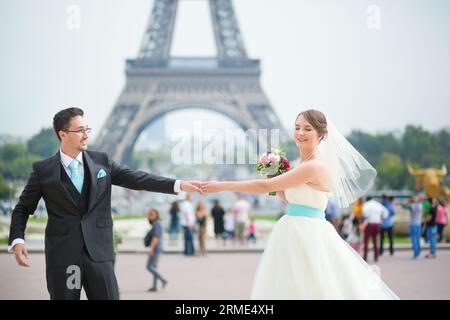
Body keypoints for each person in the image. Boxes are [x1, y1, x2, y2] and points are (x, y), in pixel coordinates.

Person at [201, 109, 399, 299]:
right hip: (295, 230)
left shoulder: (314, 166)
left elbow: (263, 186)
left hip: (307, 233)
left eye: (307, 128)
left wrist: (221, 186)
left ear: (321, 135)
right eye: (297, 127)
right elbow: (290, 199)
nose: (300, 133)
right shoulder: (302, 165)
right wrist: (275, 173)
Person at [7, 107, 202, 300]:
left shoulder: (102, 162)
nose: (86, 135)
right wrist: (17, 239)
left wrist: (178, 184)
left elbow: (137, 179)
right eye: (80, 130)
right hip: (65, 259)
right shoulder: (43, 170)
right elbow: (23, 208)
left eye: (87, 129)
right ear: (63, 134)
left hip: (99, 256)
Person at [144, 208, 167, 292]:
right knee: (154, 267)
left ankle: (163, 280)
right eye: (149, 214)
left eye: (152, 214)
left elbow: (156, 237)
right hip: (158, 248)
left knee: (149, 266)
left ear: (156, 215)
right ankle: (154, 286)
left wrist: (151, 249)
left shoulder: (156, 224)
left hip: (156, 248)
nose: (150, 216)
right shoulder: (156, 224)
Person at [362, 196, 388, 262]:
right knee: (375, 241)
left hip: (370, 224)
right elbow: (386, 212)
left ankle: (365, 257)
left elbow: (365, 214)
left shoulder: (367, 205)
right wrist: (382, 219)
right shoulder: (378, 204)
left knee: (366, 241)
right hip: (377, 224)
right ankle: (376, 257)